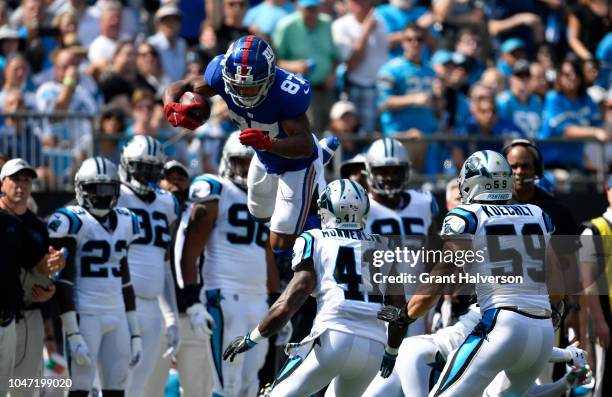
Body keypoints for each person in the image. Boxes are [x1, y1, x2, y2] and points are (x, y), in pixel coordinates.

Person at [378, 150, 557, 396]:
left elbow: (437, 283)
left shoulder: (469, 216)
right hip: (544, 330)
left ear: (472, 183)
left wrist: (405, 316)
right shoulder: (538, 215)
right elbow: (558, 288)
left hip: (502, 325)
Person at [162, 35, 321, 303]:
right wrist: (171, 105)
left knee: (280, 240)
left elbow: (304, 145)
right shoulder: (219, 74)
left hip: (297, 163)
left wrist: (270, 142)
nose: (244, 92)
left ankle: (307, 276)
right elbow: (183, 85)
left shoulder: (287, 93)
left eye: (252, 87)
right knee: (259, 213)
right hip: (262, 154)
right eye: (238, 86)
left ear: (269, 77)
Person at [222, 179, 405, 396]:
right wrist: (392, 351)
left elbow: (294, 296)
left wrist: (252, 337)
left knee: (275, 393)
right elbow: (399, 309)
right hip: (374, 346)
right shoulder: (384, 245)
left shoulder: (315, 238)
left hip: (333, 336)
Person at [175, 132, 277, 396]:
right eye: (239, 162)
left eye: (251, 163)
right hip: (224, 294)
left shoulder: (264, 197)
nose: (245, 170)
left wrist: (277, 302)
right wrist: (191, 300)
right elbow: (188, 247)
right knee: (227, 382)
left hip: (257, 299)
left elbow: (267, 253)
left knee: (251, 382)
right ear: (226, 161)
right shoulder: (215, 189)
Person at [48, 157, 141, 397]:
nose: (101, 195)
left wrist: (135, 330)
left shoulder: (125, 219)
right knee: (79, 389)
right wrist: (72, 332)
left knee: (116, 390)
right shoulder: (71, 220)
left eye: (107, 188)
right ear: (80, 188)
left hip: (118, 314)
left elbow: (125, 278)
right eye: (94, 188)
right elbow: (64, 280)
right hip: (85, 314)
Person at [361, 137, 439, 396]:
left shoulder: (423, 202)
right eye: (383, 171)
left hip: (415, 303)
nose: (390, 177)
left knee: (409, 378)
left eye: (396, 170)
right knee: (374, 377)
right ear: (369, 171)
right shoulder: (359, 205)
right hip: (374, 304)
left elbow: (436, 253)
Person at [394, 303, 591, 396]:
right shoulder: (508, 333)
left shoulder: (502, 314)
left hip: (416, 350)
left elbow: (523, 394)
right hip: (426, 356)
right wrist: (567, 354)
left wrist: (566, 383)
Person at [143, 160, 216, 397]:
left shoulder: (197, 214)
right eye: (169, 178)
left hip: (191, 313)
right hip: (159, 314)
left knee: (199, 391)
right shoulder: (148, 215)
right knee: (149, 389)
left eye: (180, 178)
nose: (174, 183)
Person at [116, 136, 182, 397]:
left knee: (138, 388)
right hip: (119, 303)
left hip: (153, 307)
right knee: (111, 384)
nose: (147, 176)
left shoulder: (166, 202)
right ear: (126, 164)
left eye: (153, 170)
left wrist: (172, 315)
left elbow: (164, 264)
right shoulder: (115, 195)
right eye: (141, 168)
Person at [0, 159, 55, 397]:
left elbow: (40, 266)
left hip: (21, 314)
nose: (21, 186)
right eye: (15, 179)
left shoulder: (28, 226)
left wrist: (52, 277)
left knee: (24, 389)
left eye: (26, 180)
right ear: (2, 182)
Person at [273, 0, 338, 134]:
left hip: (326, 89)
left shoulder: (327, 23)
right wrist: (294, 66)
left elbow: (334, 56)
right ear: (298, 7)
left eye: (314, 8)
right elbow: (274, 62)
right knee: (308, 130)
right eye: (307, 8)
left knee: (332, 129)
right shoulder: (286, 26)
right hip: (299, 90)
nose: (311, 13)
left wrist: (332, 74)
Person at [579, 177, 612, 397]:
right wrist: (600, 322)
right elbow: (588, 283)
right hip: (606, 319)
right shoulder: (593, 231)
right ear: (607, 191)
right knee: (603, 379)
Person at [496, 60, 543, 139]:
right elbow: (500, 127)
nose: (523, 79)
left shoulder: (536, 101)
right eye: (519, 76)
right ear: (511, 79)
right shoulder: (503, 101)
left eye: (527, 76)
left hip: (534, 146)